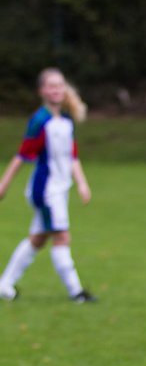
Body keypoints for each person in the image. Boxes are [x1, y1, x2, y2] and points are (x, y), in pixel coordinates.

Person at [0, 68, 95, 303]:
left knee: (38, 238)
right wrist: (3, 184)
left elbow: (72, 156)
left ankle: (4, 285)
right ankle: (77, 293)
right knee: (62, 236)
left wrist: (82, 183)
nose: (56, 90)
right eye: (51, 86)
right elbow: (22, 155)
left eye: (60, 85)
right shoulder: (40, 121)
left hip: (60, 190)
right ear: (42, 91)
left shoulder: (66, 121)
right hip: (46, 190)